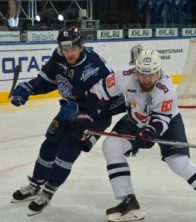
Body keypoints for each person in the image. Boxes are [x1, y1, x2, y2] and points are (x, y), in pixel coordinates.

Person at [89, 48, 196, 222]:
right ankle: (128, 202)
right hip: (136, 118)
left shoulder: (166, 89)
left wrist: (149, 132)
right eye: (142, 74)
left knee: (178, 163)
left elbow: (161, 120)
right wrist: (83, 114)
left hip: (167, 123)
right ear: (135, 70)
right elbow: (97, 92)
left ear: (158, 71)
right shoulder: (124, 76)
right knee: (111, 145)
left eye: (151, 75)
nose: (146, 79)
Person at [10, 26, 125, 216]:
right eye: (65, 49)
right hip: (71, 109)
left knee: (67, 151)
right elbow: (46, 80)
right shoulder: (58, 58)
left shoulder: (94, 65)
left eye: (73, 48)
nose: (69, 53)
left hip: (97, 113)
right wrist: (28, 88)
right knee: (49, 144)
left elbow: (110, 97)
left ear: (81, 46)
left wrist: (87, 114)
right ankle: (35, 185)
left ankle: (48, 192)